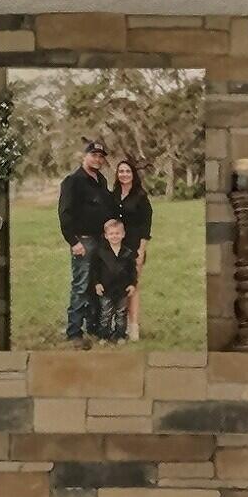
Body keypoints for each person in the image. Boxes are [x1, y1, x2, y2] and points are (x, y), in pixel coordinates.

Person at [57, 138, 112, 344]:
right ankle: (74, 332)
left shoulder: (101, 181)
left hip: (101, 241)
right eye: (93, 155)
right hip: (83, 241)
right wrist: (74, 242)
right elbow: (65, 213)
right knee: (80, 286)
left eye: (100, 157)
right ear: (84, 156)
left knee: (96, 284)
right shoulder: (73, 181)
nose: (97, 159)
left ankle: (94, 327)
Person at [112, 157, 154, 342]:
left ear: (133, 174)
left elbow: (146, 227)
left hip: (135, 246)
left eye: (127, 171)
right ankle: (117, 324)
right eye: (121, 171)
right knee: (116, 285)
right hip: (115, 247)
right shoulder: (113, 195)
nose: (124, 174)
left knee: (132, 286)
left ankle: (134, 326)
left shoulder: (141, 196)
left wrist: (141, 251)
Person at [91, 215, 139, 342]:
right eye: (111, 233)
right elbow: (94, 270)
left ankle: (120, 335)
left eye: (117, 233)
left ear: (123, 234)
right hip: (106, 289)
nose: (114, 236)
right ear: (106, 235)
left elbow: (133, 271)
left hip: (122, 289)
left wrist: (132, 284)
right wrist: (97, 284)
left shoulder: (128, 253)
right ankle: (103, 336)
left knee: (121, 314)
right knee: (105, 314)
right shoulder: (100, 252)